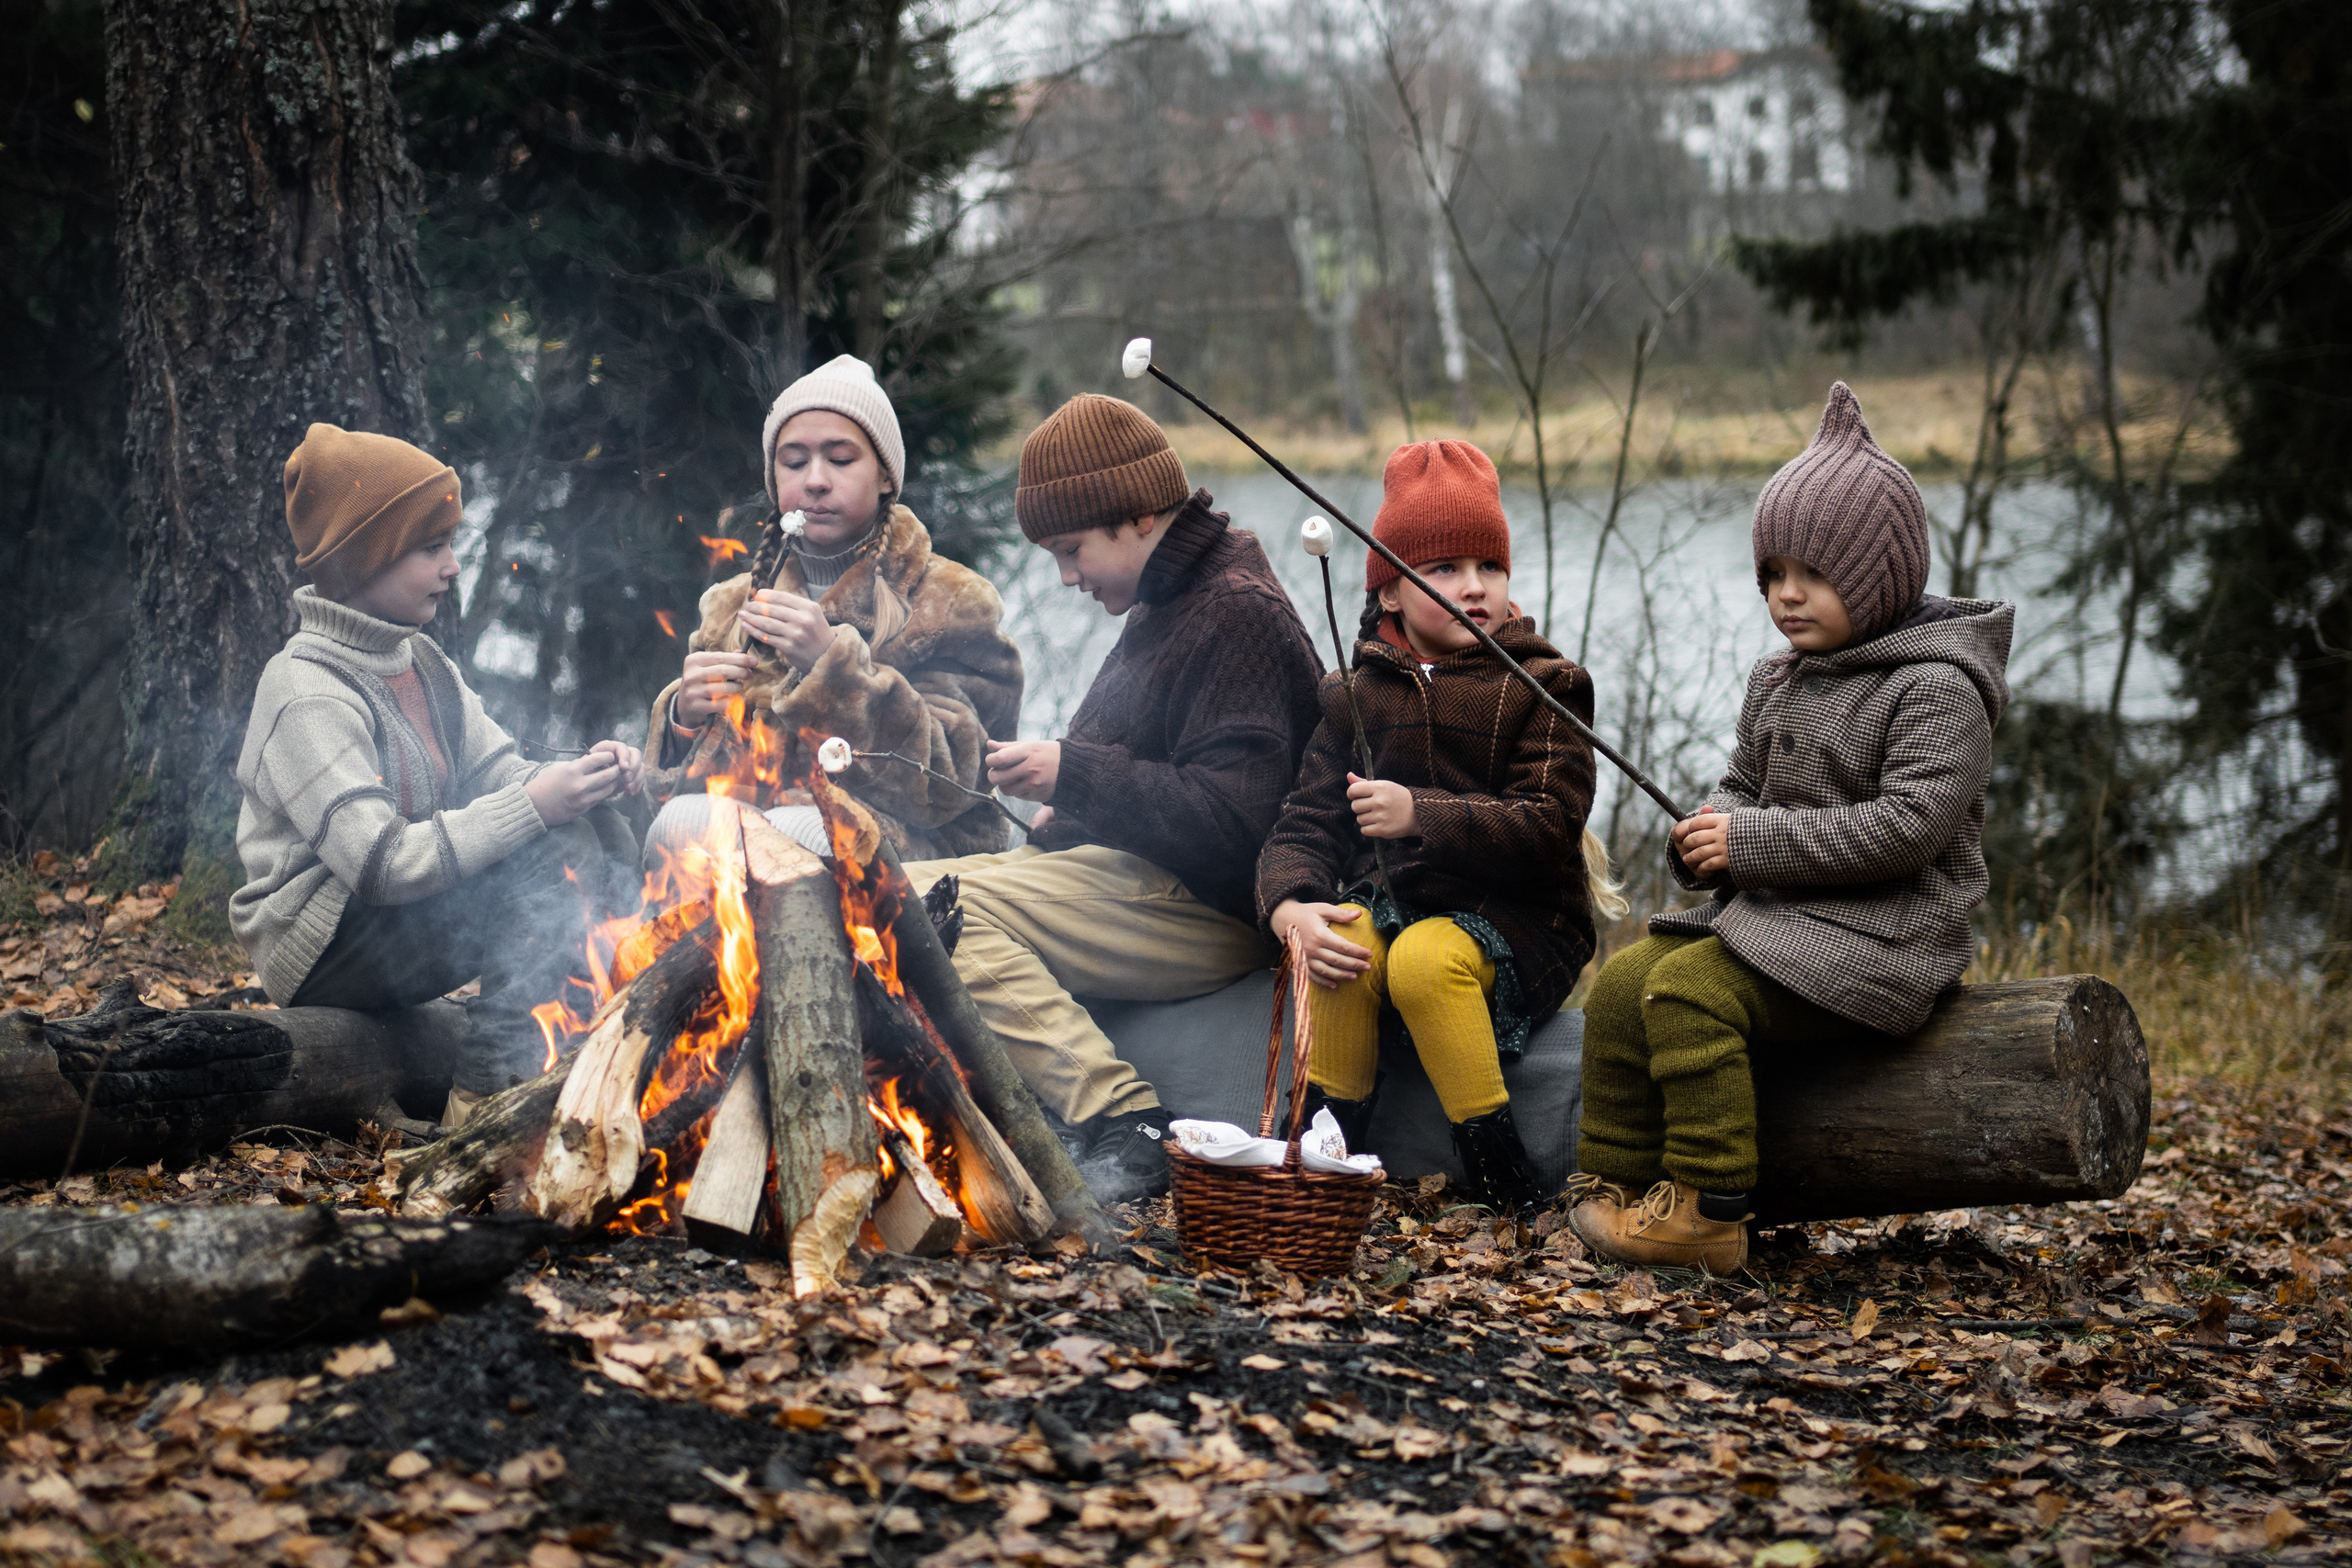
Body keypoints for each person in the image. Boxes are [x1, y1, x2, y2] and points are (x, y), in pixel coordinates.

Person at [1566, 382, 2013, 1271]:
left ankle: (1709, 1208)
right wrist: (1710, 830)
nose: (1786, 596)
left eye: (1814, 575)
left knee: (1689, 990)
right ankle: (1609, 1189)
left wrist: (1752, 842)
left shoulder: (1935, 687)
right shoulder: (1780, 680)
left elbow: (1909, 828)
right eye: (1773, 574)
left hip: (1886, 938)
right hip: (1782, 925)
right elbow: (1742, 786)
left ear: (1879, 577)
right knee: (1623, 987)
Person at [903, 393, 1326, 1202]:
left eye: (1071, 549)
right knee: (896, 889)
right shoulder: (1172, 593)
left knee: (930, 901)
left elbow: (1241, 825)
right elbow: (1148, 765)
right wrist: (1077, 804)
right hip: (1138, 882)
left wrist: (1076, 775)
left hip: (1210, 910)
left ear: (1138, 516)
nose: (1064, 576)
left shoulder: (1234, 609)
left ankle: (1125, 1118)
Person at [232, 424, 645, 1129]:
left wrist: (580, 778)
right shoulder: (304, 688)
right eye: (432, 548)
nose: (452, 566)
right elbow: (380, 863)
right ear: (364, 557)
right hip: (322, 941)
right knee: (548, 852)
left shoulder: (422, 662)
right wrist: (535, 807)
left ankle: (578, 1058)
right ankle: (481, 1112)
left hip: (388, 917)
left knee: (595, 825)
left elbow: (502, 774)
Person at [1257, 439, 1618, 1212]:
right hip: (1400, 907)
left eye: (1490, 567)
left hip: (1520, 920)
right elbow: (1305, 823)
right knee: (1346, 935)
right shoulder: (1353, 694)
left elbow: (1549, 825)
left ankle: (1499, 1171)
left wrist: (1423, 814)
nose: (1475, 587)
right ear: (1389, 592)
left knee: (1423, 958)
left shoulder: (1547, 687)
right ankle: (1328, 1149)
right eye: (1445, 570)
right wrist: (1289, 903)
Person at [643, 355, 1022, 862]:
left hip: (919, 857)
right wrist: (683, 721)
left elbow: (956, 784)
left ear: (886, 476)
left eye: (840, 460)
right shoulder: (732, 604)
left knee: (804, 830)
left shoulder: (952, 600)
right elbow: (683, 795)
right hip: (763, 848)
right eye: (794, 462)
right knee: (679, 825)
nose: (815, 480)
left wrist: (833, 671)